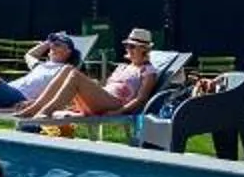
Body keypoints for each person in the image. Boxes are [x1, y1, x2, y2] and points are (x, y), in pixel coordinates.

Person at [16, 27, 159, 119]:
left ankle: (43, 112)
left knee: (73, 72)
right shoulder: (123, 66)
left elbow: (140, 99)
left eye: (132, 46)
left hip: (115, 104)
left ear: (144, 49)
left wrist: (118, 112)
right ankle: (35, 106)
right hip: (103, 100)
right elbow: (105, 86)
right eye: (127, 46)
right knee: (67, 69)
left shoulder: (148, 71)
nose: (128, 49)